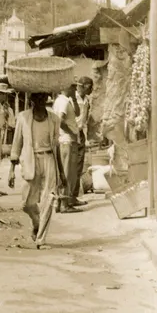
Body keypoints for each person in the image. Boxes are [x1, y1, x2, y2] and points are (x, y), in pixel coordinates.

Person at [11, 92, 64, 249]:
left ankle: (41, 239)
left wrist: (61, 171)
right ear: (32, 100)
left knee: (49, 199)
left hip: (49, 159)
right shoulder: (23, 118)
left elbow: (56, 146)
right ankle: (36, 221)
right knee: (26, 203)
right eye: (37, 99)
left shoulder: (54, 119)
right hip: (30, 160)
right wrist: (11, 171)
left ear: (46, 99)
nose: (40, 101)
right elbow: (16, 144)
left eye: (43, 98)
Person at [52, 84, 83, 213]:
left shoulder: (64, 101)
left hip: (65, 140)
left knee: (65, 172)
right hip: (67, 141)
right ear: (66, 88)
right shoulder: (63, 102)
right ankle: (65, 204)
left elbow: (77, 112)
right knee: (67, 172)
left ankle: (60, 203)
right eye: (72, 88)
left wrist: (74, 100)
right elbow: (61, 121)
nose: (74, 90)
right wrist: (71, 133)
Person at [73, 76, 93, 205]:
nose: (92, 89)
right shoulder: (72, 98)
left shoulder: (86, 100)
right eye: (91, 86)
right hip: (72, 133)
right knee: (71, 166)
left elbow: (84, 121)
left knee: (78, 166)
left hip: (80, 133)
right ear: (85, 86)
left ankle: (73, 196)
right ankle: (68, 197)